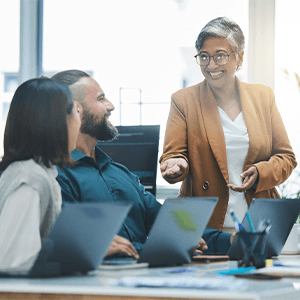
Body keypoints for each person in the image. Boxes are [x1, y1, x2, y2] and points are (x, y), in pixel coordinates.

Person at [52, 69, 235, 257]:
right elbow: (76, 244)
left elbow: (169, 222)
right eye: (101, 99)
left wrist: (230, 241)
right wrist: (166, 246)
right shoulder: (56, 176)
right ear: (76, 109)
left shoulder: (120, 173)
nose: (111, 105)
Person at [159, 17, 297, 233]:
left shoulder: (263, 97)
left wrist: (260, 173)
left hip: (260, 224)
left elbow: (286, 158)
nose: (211, 65)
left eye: (220, 56)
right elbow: (173, 155)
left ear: (239, 57)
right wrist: (178, 165)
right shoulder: (183, 100)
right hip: (204, 227)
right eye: (204, 57)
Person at [0, 77, 81, 273]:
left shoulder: (41, 173)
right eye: (76, 112)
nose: (80, 120)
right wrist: (74, 252)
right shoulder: (29, 179)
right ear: (60, 121)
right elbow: (11, 263)